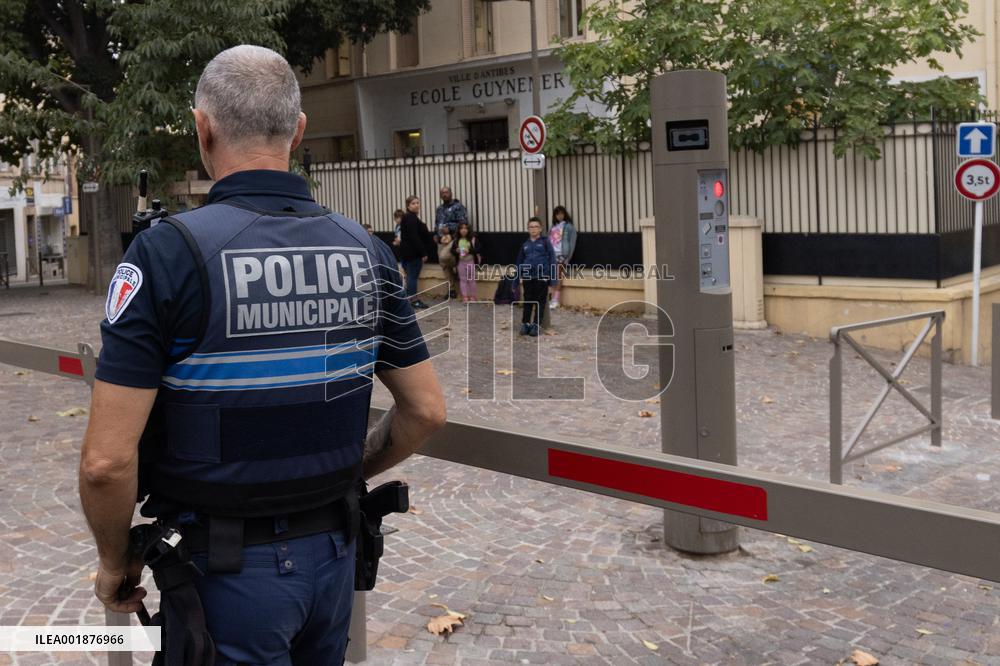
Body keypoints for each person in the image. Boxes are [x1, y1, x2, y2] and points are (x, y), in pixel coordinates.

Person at [78, 45, 446, 666]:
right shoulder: (369, 252)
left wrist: (116, 560)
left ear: (202, 126)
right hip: (333, 564)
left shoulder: (166, 256)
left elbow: (107, 464)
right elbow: (427, 412)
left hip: (224, 579)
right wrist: (348, 469)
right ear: (298, 131)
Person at [515, 216, 557, 336]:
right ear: (528, 229)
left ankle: (536, 325)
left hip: (542, 276)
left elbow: (553, 260)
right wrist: (516, 281)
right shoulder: (525, 245)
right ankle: (526, 323)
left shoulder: (545, 242)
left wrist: (553, 281)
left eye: (536, 227)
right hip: (528, 277)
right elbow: (519, 263)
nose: (533, 229)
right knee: (528, 300)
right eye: (531, 227)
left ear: (541, 229)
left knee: (540, 302)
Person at [399, 195, 432, 309]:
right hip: (413, 254)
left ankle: (409, 299)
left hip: (407, 253)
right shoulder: (410, 218)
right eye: (413, 203)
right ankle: (414, 300)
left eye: (417, 203)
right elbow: (414, 237)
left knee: (410, 277)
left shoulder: (410, 217)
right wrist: (423, 252)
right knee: (412, 277)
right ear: (408, 206)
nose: (416, 205)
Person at [548, 205, 577, 309]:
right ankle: (551, 299)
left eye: (561, 214)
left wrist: (568, 258)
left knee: (559, 276)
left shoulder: (569, 227)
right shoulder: (552, 226)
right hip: (552, 254)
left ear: (564, 214)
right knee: (552, 276)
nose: (559, 216)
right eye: (557, 214)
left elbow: (572, 243)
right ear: (554, 215)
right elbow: (548, 241)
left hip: (562, 255)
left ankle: (555, 300)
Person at [451, 222, 482, 303]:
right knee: (463, 280)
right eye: (461, 228)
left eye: (465, 228)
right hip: (461, 262)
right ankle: (465, 297)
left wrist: (469, 250)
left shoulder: (473, 239)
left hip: (471, 261)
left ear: (468, 230)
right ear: (459, 230)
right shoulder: (456, 240)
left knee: (472, 280)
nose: (463, 230)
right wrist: (456, 250)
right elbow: (452, 250)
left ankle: (473, 296)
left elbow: (478, 249)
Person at [436, 225, 458, 299]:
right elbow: (437, 225)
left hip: (453, 239)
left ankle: (456, 275)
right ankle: (451, 290)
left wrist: (450, 232)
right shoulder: (439, 213)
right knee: (444, 265)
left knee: (446, 257)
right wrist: (439, 238)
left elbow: (461, 222)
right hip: (441, 239)